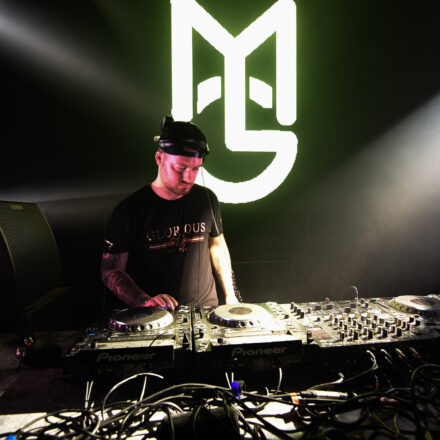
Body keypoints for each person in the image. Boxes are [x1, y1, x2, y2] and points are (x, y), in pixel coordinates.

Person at [101, 116, 240, 311]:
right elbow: (111, 270)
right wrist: (144, 301)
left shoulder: (206, 199)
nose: (188, 177)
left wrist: (231, 295)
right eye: (180, 168)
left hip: (205, 312)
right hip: (154, 316)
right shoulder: (128, 210)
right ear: (159, 158)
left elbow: (217, 245)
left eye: (195, 169)